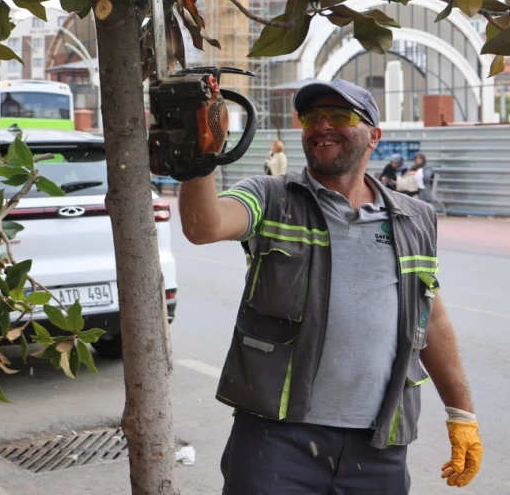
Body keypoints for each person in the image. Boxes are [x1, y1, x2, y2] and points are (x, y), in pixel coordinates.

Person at [177, 79, 482, 494]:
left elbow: (431, 317)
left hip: (378, 445)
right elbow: (203, 226)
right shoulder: (272, 197)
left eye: (339, 116)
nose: (321, 125)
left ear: (374, 135)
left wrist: (461, 412)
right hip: (276, 440)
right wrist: (201, 158)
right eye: (311, 117)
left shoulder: (416, 218)